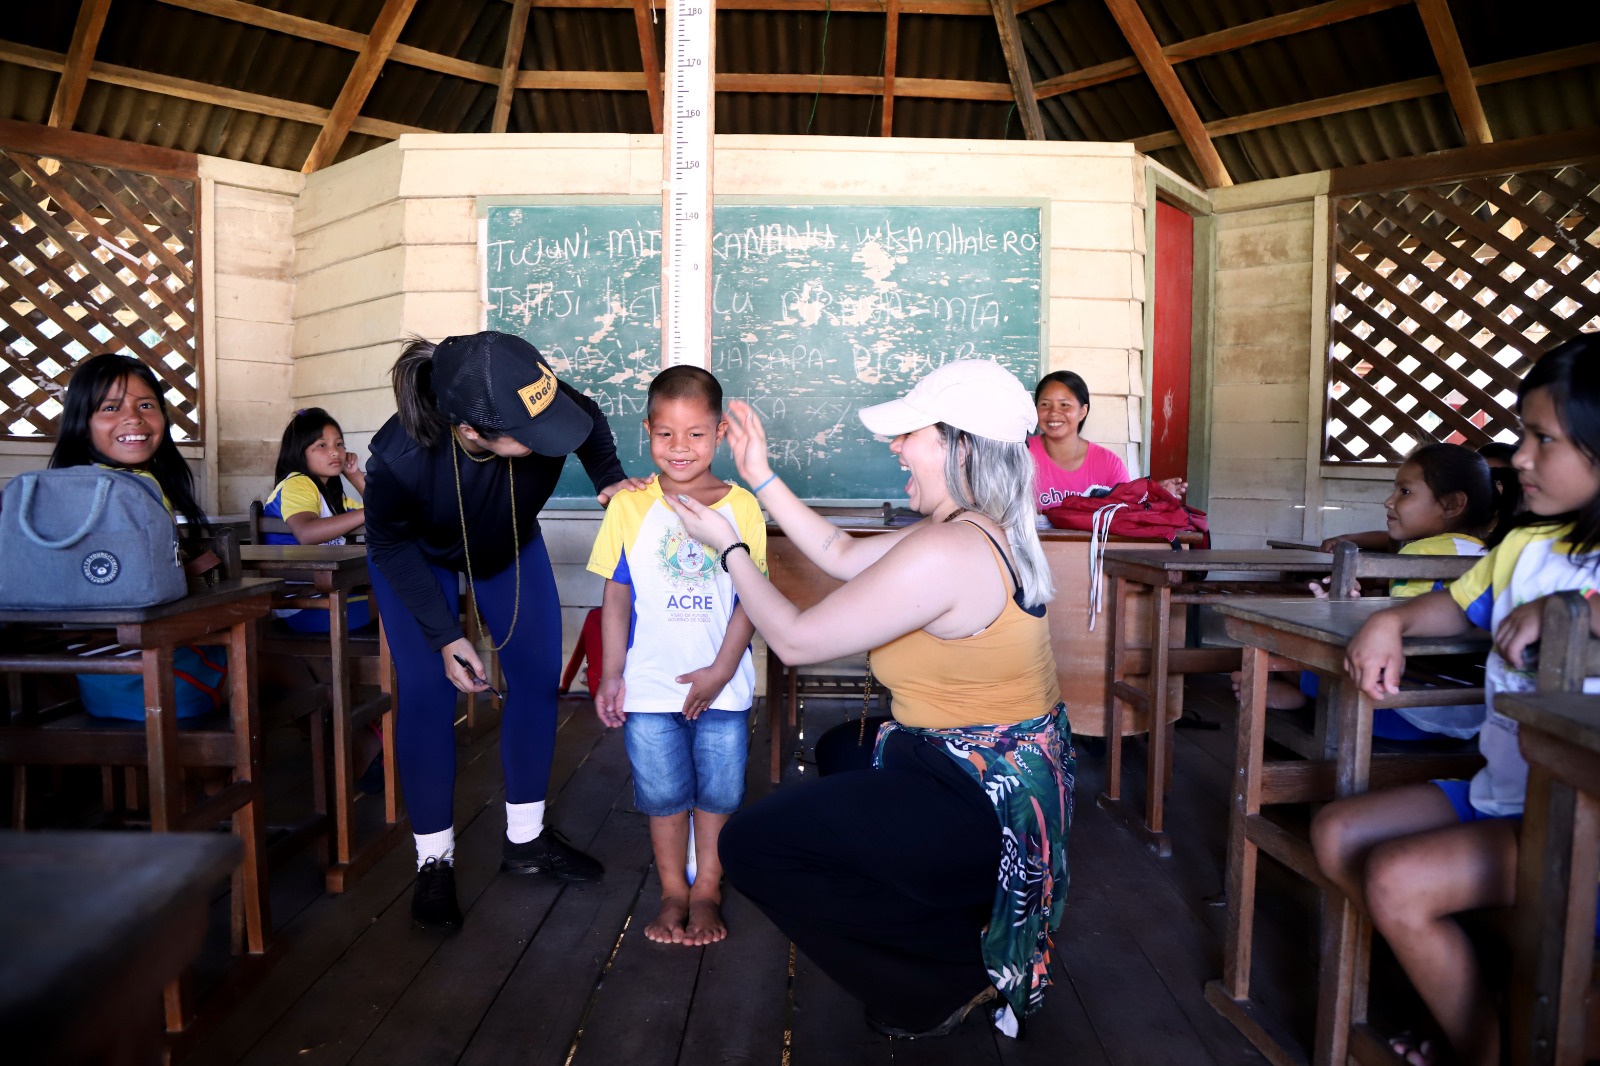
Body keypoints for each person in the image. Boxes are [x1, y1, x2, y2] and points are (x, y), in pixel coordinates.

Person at [667, 358, 1072, 1039]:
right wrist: (759, 474)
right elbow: (838, 551)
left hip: (980, 806)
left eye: (909, 433)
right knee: (839, 750)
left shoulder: (947, 550)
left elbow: (794, 640)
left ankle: (943, 973)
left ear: (959, 445)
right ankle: (948, 907)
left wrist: (732, 549)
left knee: (752, 846)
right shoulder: (977, 530)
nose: (895, 447)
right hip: (1004, 786)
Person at [1312, 334, 1600, 1066]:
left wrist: (1579, 610)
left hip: (1583, 828)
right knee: (1338, 834)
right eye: (1523, 434)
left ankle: (1485, 1043)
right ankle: (1488, 1021)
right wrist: (1391, 620)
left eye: (1544, 439)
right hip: (1504, 795)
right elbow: (1452, 607)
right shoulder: (1528, 546)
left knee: (1398, 879)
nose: (1521, 459)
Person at [363, 331, 646, 931]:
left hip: (507, 544)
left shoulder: (537, 396)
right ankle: (434, 860)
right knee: (426, 694)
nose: (551, 444)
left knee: (539, 679)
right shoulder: (398, 459)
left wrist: (609, 478)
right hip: (414, 559)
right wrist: (445, 635)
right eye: (534, 438)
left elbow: (587, 419)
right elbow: (387, 544)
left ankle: (526, 839)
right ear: (471, 432)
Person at [587, 365, 764, 947]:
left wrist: (719, 671)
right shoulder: (629, 507)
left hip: (725, 684)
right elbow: (616, 595)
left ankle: (707, 888)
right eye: (666, 434)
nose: (680, 448)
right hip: (651, 684)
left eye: (695, 434)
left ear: (718, 435)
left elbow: (751, 600)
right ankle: (671, 890)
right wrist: (611, 674)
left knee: (717, 793)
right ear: (647, 432)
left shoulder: (744, 508)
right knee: (662, 795)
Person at [1248, 443, 1517, 739]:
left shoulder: (1421, 553)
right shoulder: (1492, 553)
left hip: (1408, 713)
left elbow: (1407, 634)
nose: (1389, 502)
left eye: (1405, 492)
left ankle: (1294, 696)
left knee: (1298, 662)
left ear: (1452, 504)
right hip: (1477, 714)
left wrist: (1345, 610)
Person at [50, 353, 228, 721]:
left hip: (98, 679)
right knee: (281, 660)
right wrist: (210, 573)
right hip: (156, 676)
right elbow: (155, 591)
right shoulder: (134, 486)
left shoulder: (64, 487)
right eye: (111, 407)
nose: (133, 418)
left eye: (146, 405)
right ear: (82, 423)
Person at [263, 407, 373, 633]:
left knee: (403, 598)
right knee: (403, 602)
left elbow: (382, 508)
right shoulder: (298, 483)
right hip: (303, 605)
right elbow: (307, 532)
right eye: (322, 445)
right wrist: (368, 512)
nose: (335, 452)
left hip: (325, 596)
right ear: (299, 452)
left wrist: (353, 474)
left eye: (339, 444)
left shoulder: (329, 496)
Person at [1030, 370, 1185, 508]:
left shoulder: (1108, 463)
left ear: (1083, 411)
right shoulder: (1022, 454)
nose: (1054, 412)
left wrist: (1154, 495)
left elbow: (1126, 508)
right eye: (1045, 404)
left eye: (1064, 405)